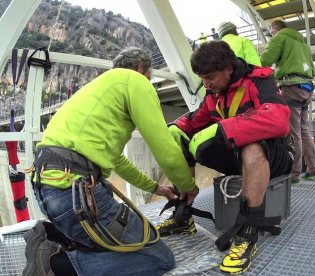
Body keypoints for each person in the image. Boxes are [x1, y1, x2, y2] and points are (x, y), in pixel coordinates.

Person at [24, 46, 199, 275]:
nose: (148, 82)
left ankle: (54, 238)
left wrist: (157, 188)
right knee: (160, 259)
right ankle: (56, 265)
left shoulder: (102, 89)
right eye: (149, 77)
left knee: (111, 248)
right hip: (75, 194)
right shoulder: (136, 81)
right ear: (141, 69)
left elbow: (118, 162)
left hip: (49, 188)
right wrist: (188, 186)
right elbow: (164, 147)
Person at [156, 41, 293, 274]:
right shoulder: (213, 92)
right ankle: (184, 213)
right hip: (239, 158)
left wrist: (226, 129)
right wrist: (172, 129)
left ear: (229, 68)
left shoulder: (259, 80)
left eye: (210, 77)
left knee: (251, 146)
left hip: (276, 158)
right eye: (202, 78)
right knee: (178, 137)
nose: (206, 84)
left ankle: (248, 233)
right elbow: (194, 120)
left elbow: (279, 120)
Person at [260, 19, 315, 184]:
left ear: (276, 28)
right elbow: (313, 69)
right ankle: (313, 169)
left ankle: (294, 175)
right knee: (305, 130)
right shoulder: (303, 44)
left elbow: (265, 59)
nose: (272, 35)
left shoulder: (280, 37)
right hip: (307, 88)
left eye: (272, 32)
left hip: (291, 87)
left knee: (294, 133)